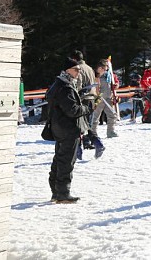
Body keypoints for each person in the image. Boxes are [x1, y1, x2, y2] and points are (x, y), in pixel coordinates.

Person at [46, 58, 91, 203]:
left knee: (59, 159)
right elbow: (72, 110)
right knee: (66, 161)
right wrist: (87, 107)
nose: (79, 71)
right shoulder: (65, 87)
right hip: (68, 129)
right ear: (67, 71)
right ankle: (63, 193)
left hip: (60, 127)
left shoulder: (58, 84)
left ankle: (56, 191)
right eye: (76, 69)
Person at [90, 60, 118, 138]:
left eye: (107, 68)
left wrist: (116, 85)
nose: (106, 70)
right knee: (95, 117)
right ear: (99, 68)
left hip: (108, 98)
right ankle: (93, 134)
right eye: (105, 68)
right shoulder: (94, 76)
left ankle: (111, 132)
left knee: (112, 115)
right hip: (99, 98)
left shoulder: (109, 75)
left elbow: (115, 82)